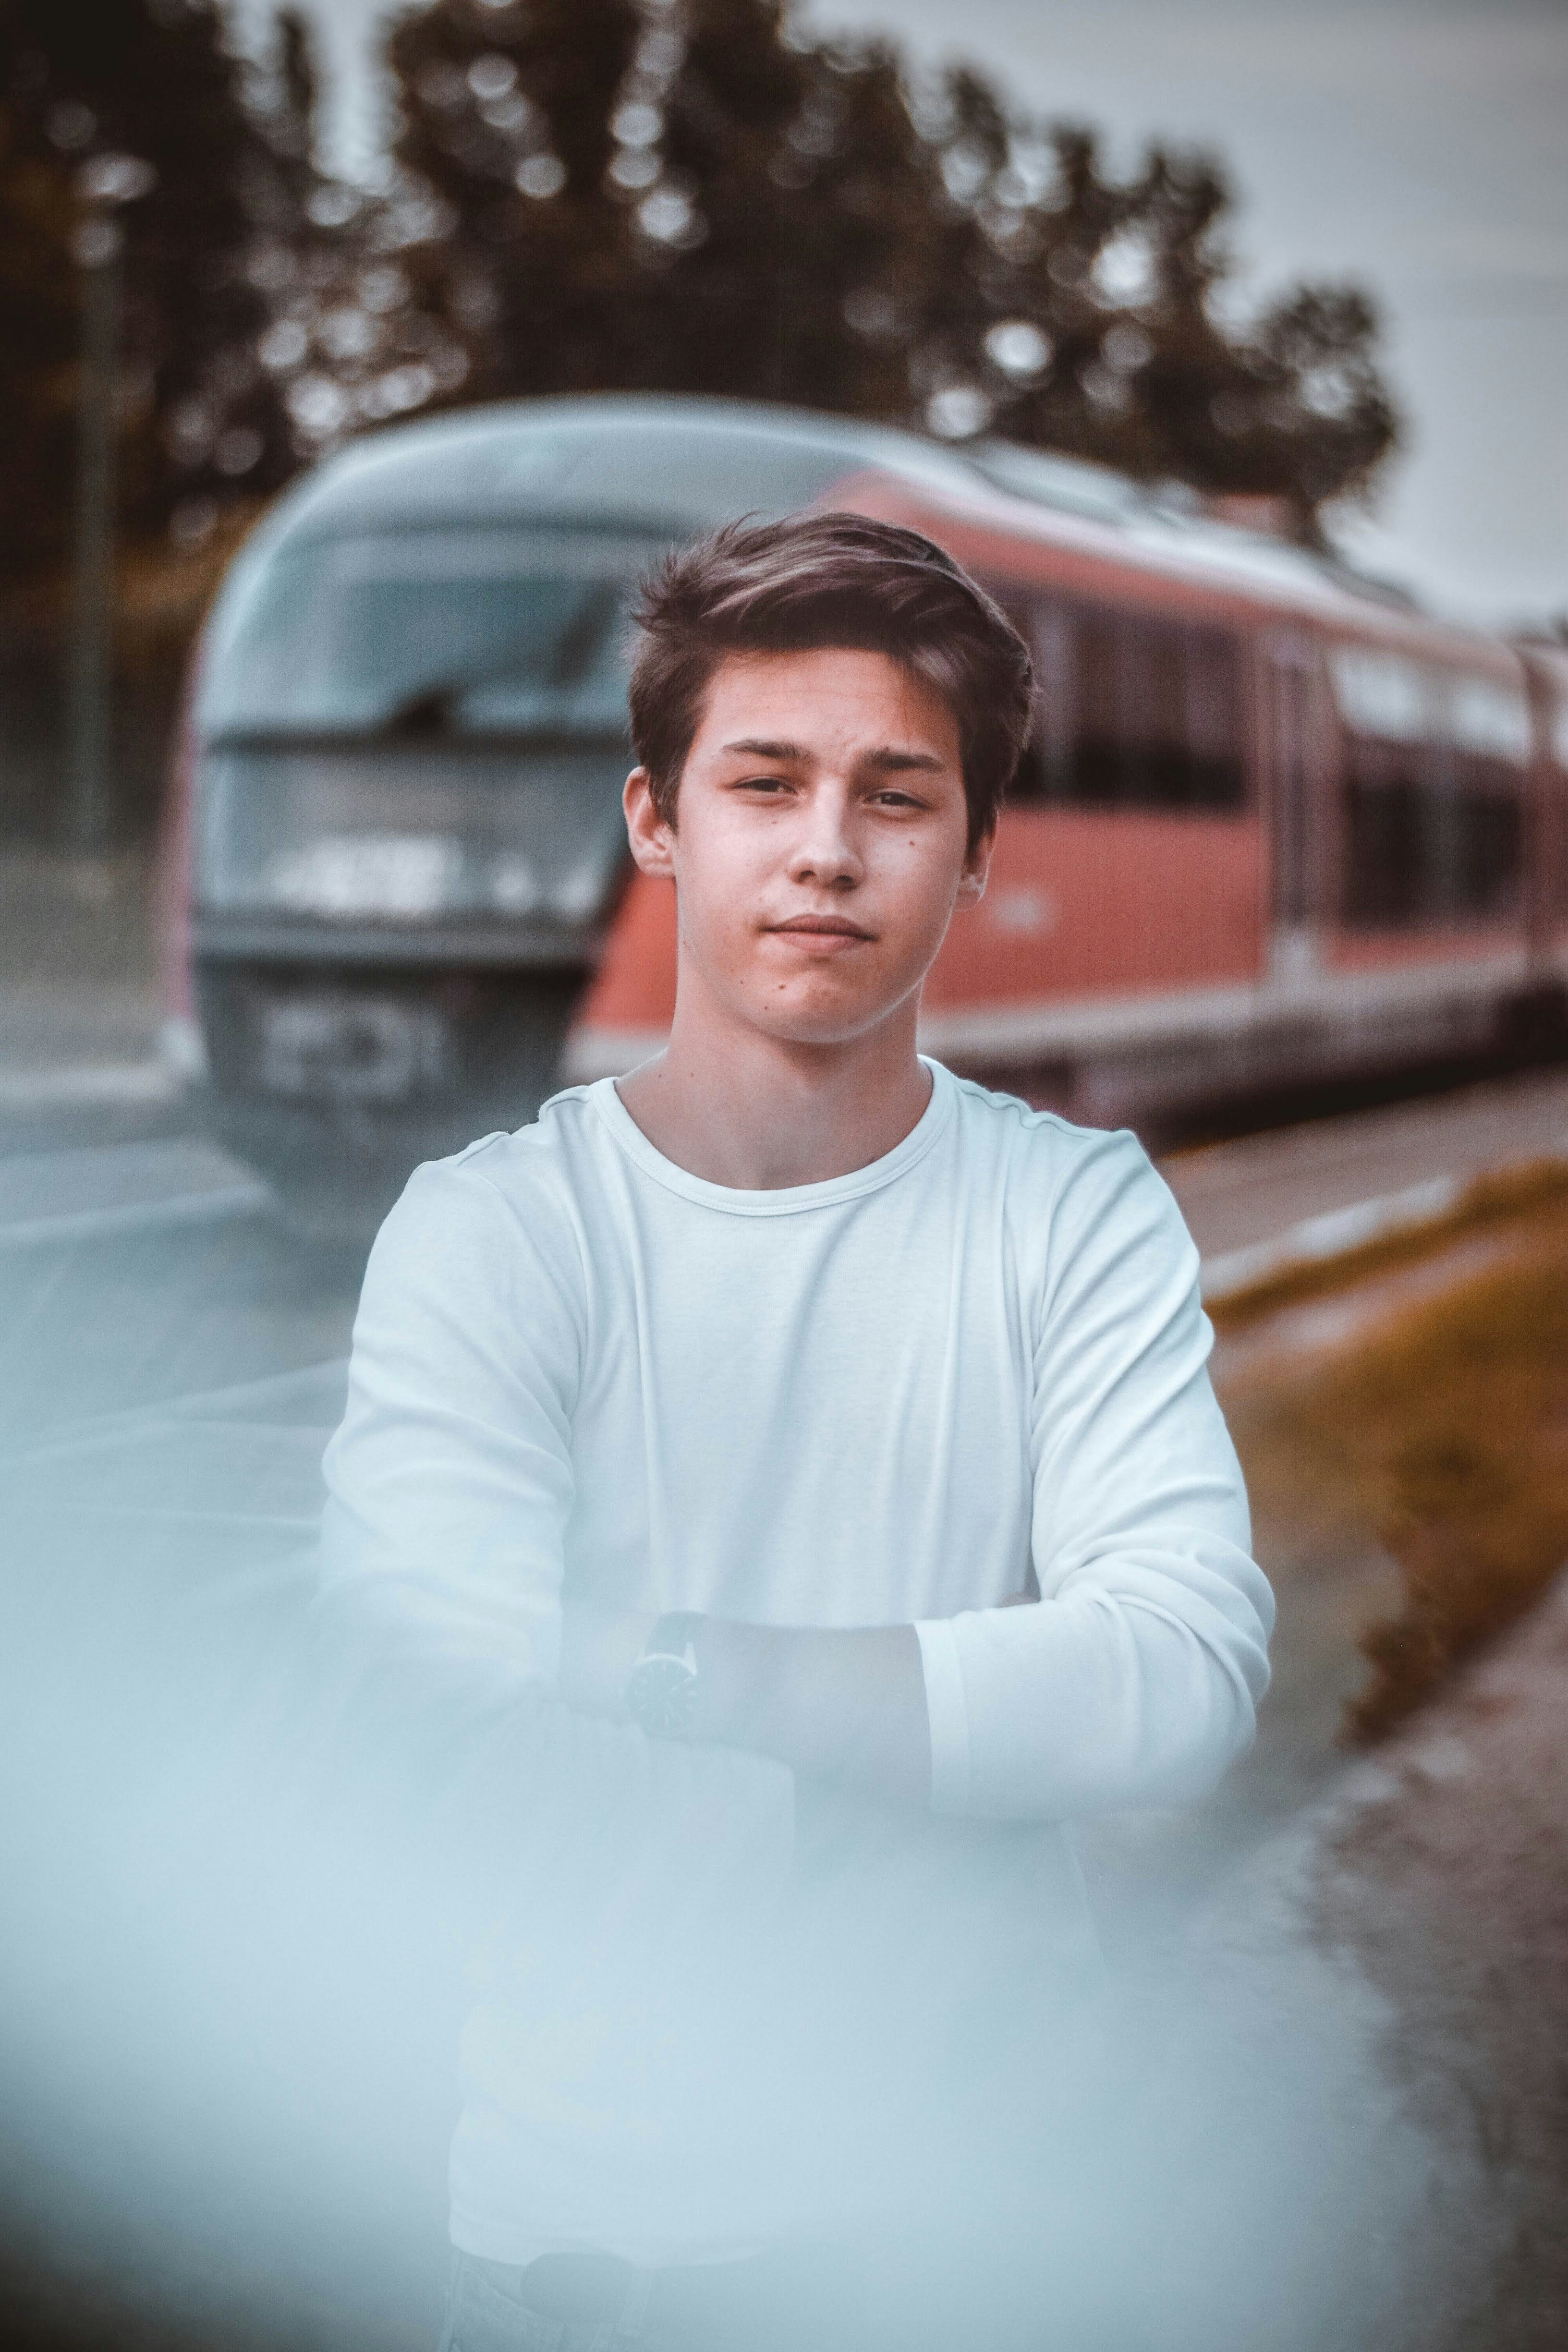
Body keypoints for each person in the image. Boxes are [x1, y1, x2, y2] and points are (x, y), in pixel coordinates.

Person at [317, 512, 1274, 2352]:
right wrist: (961, 1695)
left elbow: (1178, 1674)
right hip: (583, 2253)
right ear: (656, 822)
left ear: (979, 852)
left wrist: (660, 1661)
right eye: (765, 782)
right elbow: (427, 1696)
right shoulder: (494, 1229)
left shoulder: (1072, 1212)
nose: (827, 850)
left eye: (898, 797)